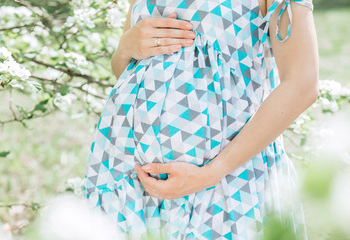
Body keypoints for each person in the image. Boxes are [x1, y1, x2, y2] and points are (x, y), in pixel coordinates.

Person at [82, 0, 318, 239]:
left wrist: (211, 173)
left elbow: (302, 84)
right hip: (131, 181)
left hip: (228, 181)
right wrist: (125, 48)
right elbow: (128, 71)